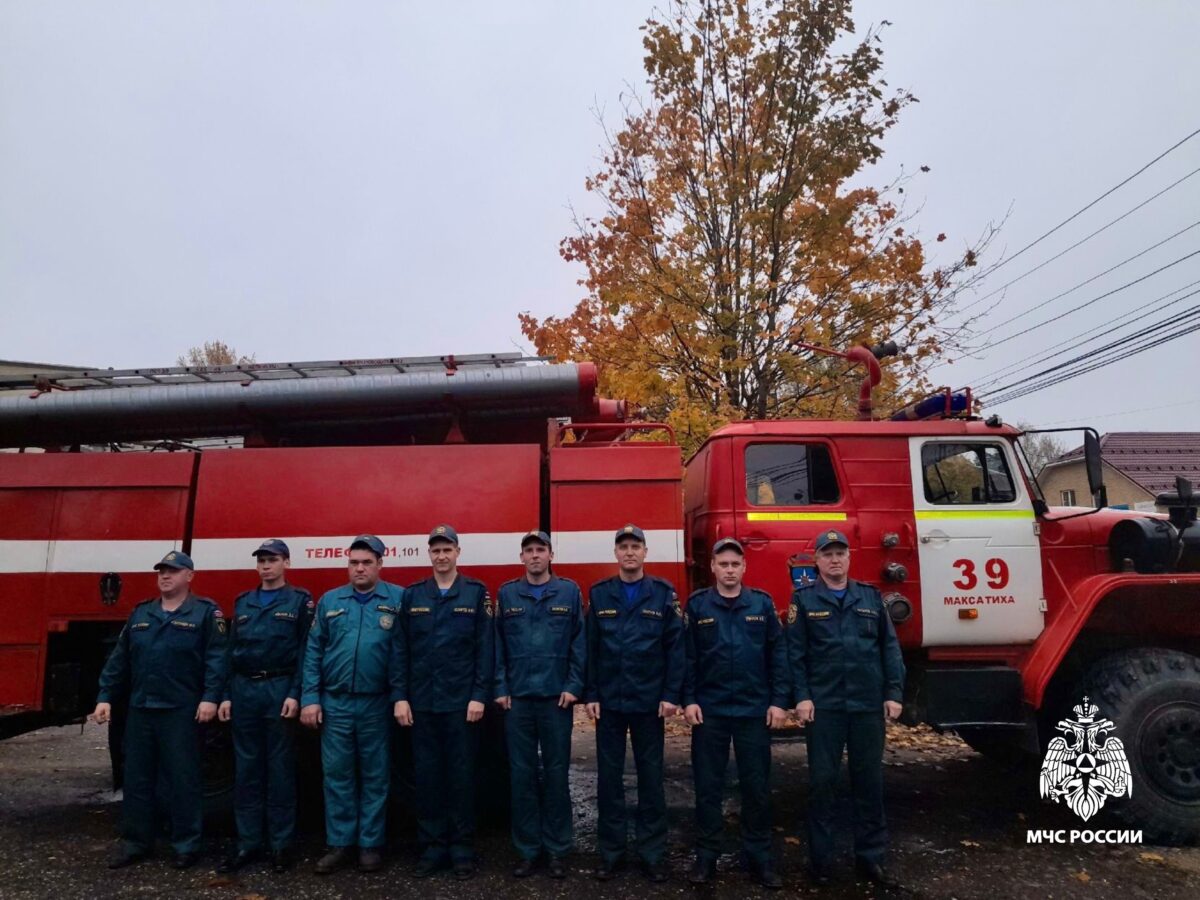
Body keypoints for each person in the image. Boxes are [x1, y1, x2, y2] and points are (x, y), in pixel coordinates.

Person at [92, 550, 227, 870]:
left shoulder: (205, 613)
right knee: (137, 778)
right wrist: (105, 696)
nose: (165, 576)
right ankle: (136, 842)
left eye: (173, 571)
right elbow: (119, 660)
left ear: (189, 576)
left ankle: (186, 845)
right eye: (161, 571)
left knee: (183, 779)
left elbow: (217, 659)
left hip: (181, 710)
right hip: (141, 709)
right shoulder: (141, 613)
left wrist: (211, 697)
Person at [787, 530, 905, 889]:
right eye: (827, 554)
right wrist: (802, 697)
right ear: (817, 561)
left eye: (840, 553)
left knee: (869, 783)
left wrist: (893, 692)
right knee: (822, 784)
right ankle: (820, 861)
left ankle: (871, 858)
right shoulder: (804, 600)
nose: (835, 560)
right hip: (825, 707)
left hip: (867, 704)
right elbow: (796, 654)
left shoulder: (870, 597)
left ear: (849, 558)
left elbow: (889, 648)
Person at [683, 537, 789, 890]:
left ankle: (758, 857)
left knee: (756, 788)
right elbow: (688, 658)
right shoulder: (698, 605)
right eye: (723, 564)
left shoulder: (761, 603)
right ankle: (706, 857)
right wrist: (689, 699)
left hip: (752, 710)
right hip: (710, 710)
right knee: (707, 788)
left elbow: (778, 655)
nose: (729, 570)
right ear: (713, 567)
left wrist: (778, 701)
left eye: (735, 564)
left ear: (744, 567)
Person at [584, 524, 684, 883]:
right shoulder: (600, 594)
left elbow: (675, 648)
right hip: (610, 702)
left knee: (651, 780)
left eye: (635, 546)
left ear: (645, 552)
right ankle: (610, 854)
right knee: (609, 782)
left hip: (648, 701)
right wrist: (591, 694)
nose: (629, 552)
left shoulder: (663, 594)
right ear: (616, 553)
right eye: (623, 546)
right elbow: (591, 649)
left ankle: (652, 854)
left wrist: (671, 694)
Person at [394, 525, 494, 880]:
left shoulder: (475, 593)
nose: (441, 556)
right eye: (435, 550)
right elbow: (400, 650)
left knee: (461, 778)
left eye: (447, 549)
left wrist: (479, 695)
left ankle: (462, 848)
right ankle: (433, 848)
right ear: (429, 554)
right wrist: (400, 697)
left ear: (457, 553)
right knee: (427, 779)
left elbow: (485, 650)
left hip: (461, 705)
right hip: (422, 704)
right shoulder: (413, 595)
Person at [301, 534, 405, 875]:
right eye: (354, 563)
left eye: (367, 563)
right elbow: (313, 652)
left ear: (380, 564)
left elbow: (405, 653)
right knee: (337, 775)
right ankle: (340, 843)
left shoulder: (399, 599)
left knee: (376, 775)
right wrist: (310, 699)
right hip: (336, 703)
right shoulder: (330, 600)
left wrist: (400, 697)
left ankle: (370, 845)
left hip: (377, 703)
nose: (359, 568)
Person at [493, 530, 586, 879]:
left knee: (557, 775)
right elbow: (497, 645)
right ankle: (528, 850)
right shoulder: (507, 594)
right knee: (522, 776)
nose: (534, 555)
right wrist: (500, 687)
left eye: (540, 549)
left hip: (555, 700)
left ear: (550, 555)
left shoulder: (569, 592)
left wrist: (574, 686)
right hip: (517, 701)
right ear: (521, 557)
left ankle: (558, 849)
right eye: (528, 550)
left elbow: (580, 642)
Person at [217, 539, 313, 874]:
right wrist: (225, 694)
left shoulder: (299, 601)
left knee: (280, 770)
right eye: (261, 561)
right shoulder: (243, 601)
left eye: (272, 560)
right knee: (247, 771)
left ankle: (280, 845)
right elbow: (230, 653)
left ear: (286, 563)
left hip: (279, 688)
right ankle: (248, 843)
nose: (266, 566)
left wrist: (296, 693)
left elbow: (305, 652)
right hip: (245, 690)